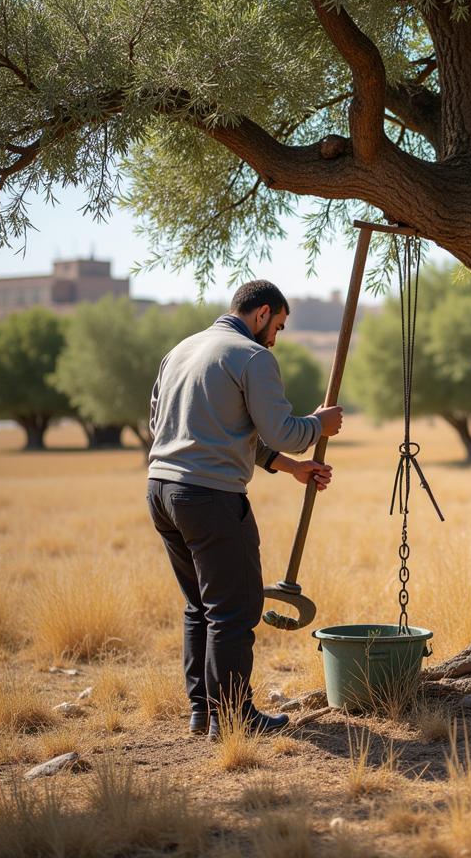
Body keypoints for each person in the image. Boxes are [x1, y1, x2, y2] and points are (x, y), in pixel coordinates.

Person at [146, 280, 342, 738]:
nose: (276, 336)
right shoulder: (253, 357)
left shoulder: (181, 351)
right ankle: (233, 718)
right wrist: (320, 424)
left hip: (161, 492)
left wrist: (291, 468)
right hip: (210, 498)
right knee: (234, 610)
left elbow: (189, 428)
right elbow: (282, 430)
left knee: (201, 606)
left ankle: (204, 712)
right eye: (277, 325)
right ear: (261, 314)